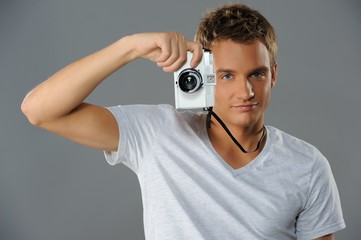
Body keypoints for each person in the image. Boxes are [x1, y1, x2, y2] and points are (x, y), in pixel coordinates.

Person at [21, 3, 345, 240]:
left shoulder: (308, 166)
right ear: (204, 75)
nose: (245, 91)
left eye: (256, 74)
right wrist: (129, 47)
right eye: (227, 75)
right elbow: (39, 110)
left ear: (273, 75)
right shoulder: (158, 134)